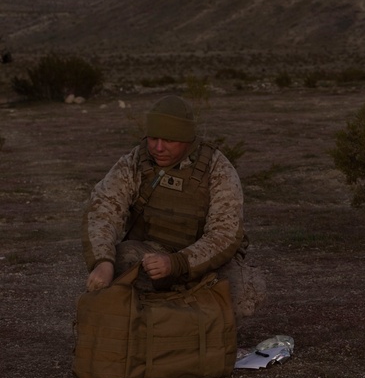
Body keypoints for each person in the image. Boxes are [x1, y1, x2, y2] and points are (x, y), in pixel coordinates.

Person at [82, 95, 264, 321]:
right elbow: (103, 210)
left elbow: (225, 235)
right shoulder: (135, 162)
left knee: (243, 295)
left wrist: (177, 263)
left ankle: (201, 329)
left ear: (187, 139)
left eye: (169, 140)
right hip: (151, 255)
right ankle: (146, 326)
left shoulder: (218, 169)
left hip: (203, 264)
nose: (158, 148)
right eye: (153, 138)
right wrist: (102, 262)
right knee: (116, 267)